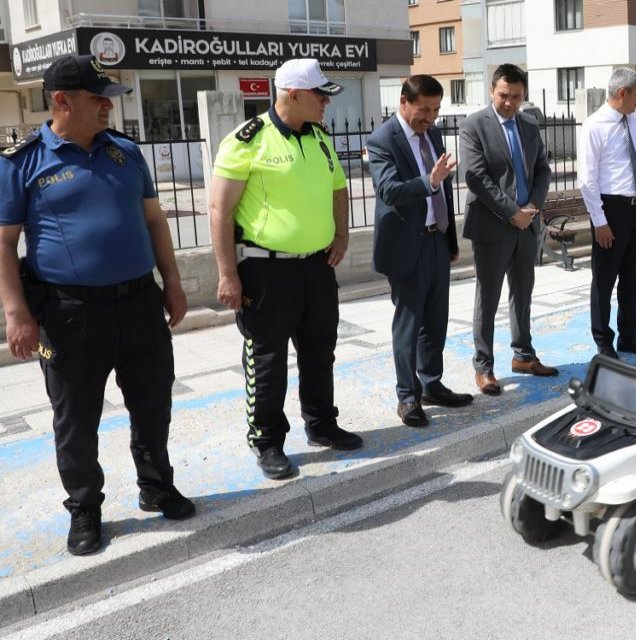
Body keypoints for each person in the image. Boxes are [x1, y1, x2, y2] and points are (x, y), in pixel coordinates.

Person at [0, 55, 193, 555]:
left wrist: (171, 281)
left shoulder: (127, 154)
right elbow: (3, 244)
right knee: (76, 420)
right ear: (61, 101)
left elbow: (154, 222)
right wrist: (16, 314)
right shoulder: (22, 163)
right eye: (97, 98)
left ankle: (155, 484)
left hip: (139, 304)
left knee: (153, 404)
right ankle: (85, 507)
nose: (108, 106)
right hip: (68, 316)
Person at [209, 58, 361, 481]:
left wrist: (342, 235)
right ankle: (267, 440)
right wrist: (227, 274)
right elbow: (220, 210)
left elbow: (338, 189)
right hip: (265, 272)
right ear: (292, 94)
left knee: (319, 351)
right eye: (320, 95)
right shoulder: (247, 141)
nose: (326, 103)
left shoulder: (319, 138)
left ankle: (321, 424)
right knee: (268, 360)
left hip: (316, 267)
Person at [367, 74, 473, 428]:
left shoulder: (434, 132)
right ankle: (408, 396)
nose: (430, 117)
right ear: (403, 103)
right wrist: (429, 181)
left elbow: (444, 191)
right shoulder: (383, 140)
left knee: (436, 319)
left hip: (436, 240)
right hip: (405, 245)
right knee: (409, 324)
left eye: (436, 109)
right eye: (424, 109)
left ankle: (431, 383)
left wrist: (450, 239)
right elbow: (389, 191)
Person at [459, 63, 557, 396]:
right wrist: (511, 212)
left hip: (527, 225)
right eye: (504, 95)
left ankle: (524, 356)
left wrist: (533, 207)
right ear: (492, 91)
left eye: (516, 96)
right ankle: (484, 367)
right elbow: (477, 178)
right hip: (492, 226)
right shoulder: (474, 125)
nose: (509, 103)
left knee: (524, 292)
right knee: (488, 298)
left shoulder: (529, 124)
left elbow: (542, 170)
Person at [579, 68, 636, 360]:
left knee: (633, 277)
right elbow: (587, 179)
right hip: (611, 210)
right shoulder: (594, 126)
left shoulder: (632, 119)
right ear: (622, 93)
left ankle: (628, 335)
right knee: (604, 280)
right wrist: (600, 221)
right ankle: (603, 341)